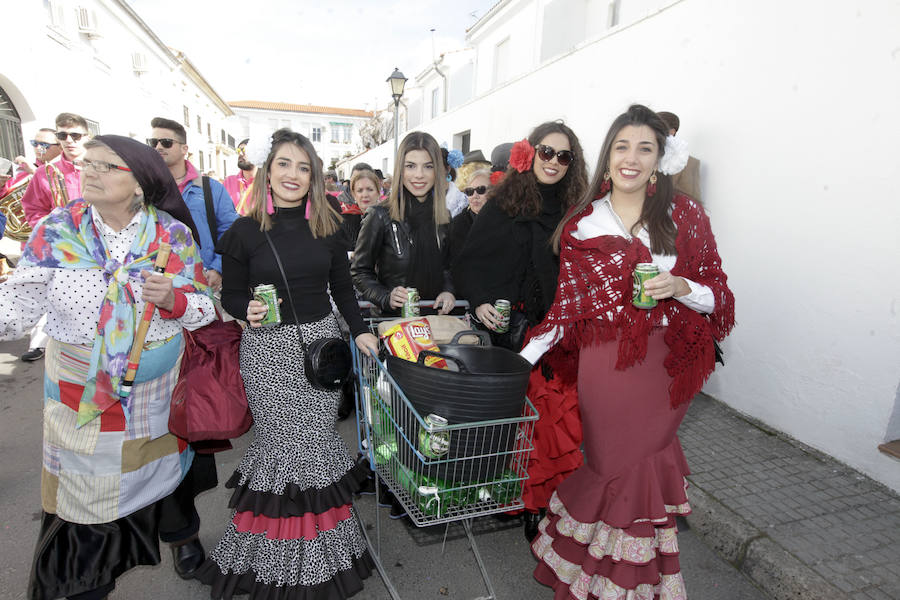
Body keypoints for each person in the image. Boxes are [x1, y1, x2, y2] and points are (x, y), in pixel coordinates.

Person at [524, 105, 735, 598]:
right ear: (608, 155)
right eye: (622, 146)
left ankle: (618, 585)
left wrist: (682, 285)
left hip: (664, 371)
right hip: (606, 368)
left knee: (638, 473)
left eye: (645, 148)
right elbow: (565, 311)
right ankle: (601, 580)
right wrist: (518, 363)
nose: (632, 158)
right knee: (609, 470)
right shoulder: (583, 223)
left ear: (661, 157)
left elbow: (719, 293)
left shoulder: (686, 216)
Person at [0, 134, 216, 600]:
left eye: (106, 166)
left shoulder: (170, 235)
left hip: (154, 399)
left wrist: (175, 298)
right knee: (83, 506)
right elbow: (15, 307)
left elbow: (203, 310)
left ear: (139, 184)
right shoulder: (58, 230)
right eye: (88, 164)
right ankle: (79, 588)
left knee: (161, 480)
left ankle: (182, 539)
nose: (90, 172)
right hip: (84, 402)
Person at [196, 128, 378, 599]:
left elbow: (342, 287)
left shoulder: (330, 225)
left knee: (316, 448)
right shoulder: (243, 230)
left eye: (303, 166)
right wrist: (245, 309)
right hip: (268, 354)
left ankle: (322, 557)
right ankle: (277, 563)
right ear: (267, 171)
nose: (293, 175)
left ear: (313, 175)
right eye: (284, 164)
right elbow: (232, 292)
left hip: (321, 351)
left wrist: (359, 332)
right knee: (284, 452)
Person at [452, 121, 588, 541]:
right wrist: (479, 301)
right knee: (518, 421)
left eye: (564, 156)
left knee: (551, 422)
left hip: (559, 333)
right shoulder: (503, 202)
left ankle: (542, 502)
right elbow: (470, 262)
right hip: (514, 334)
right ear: (530, 153)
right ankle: (515, 495)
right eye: (547, 152)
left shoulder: (577, 210)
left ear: (572, 164)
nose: (554, 162)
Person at [352, 131, 456, 316]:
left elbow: (448, 267)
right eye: (410, 166)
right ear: (401, 169)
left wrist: (449, 291)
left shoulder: (443, 217)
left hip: (436, 322)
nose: (419, 175)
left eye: (428, 166)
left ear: (437, 171)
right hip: (395, 326)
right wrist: (386, 297)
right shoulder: (379, 215)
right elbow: (360, 272)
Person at [19, 113, 90, 364]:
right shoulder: (45, 173)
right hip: (59, 250)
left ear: (86, 136)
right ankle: (52, 350)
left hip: (97, 250)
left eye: (75, 135)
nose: (68, 141)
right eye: (62, 136)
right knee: (57, 302)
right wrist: (52, 228)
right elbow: (32, 210)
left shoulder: (100, 166)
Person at [149, 117, 238, 294]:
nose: (158, 147)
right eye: (153, 142)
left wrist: (218, 268)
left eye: (166, 143)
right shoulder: (144, 189)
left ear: (184, 149)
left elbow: (230, 231)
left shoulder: (210, 189)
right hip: (157, 282)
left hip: (203, 281)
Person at [657, 111, 702, 202]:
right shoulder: (640, 159)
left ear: (672, 132)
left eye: (658, 127)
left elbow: (694, 203)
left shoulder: (690, 163)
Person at [449, 167, 491, 264]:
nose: (475, 196)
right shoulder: (458, 224)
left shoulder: (504, 222)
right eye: (469, 191)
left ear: (494, 191)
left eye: (481, 190)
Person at [341, 167, 383, 250]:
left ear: (378, 192)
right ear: (354, 195)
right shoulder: (345, 221)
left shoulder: (388, 219)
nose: (365, 195)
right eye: (360, 191)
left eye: (370, 190)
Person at [223, 139, 257, 215]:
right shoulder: (228, 181)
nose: (241, 153)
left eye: (244, 150)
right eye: (238, 150)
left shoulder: (266, 183)